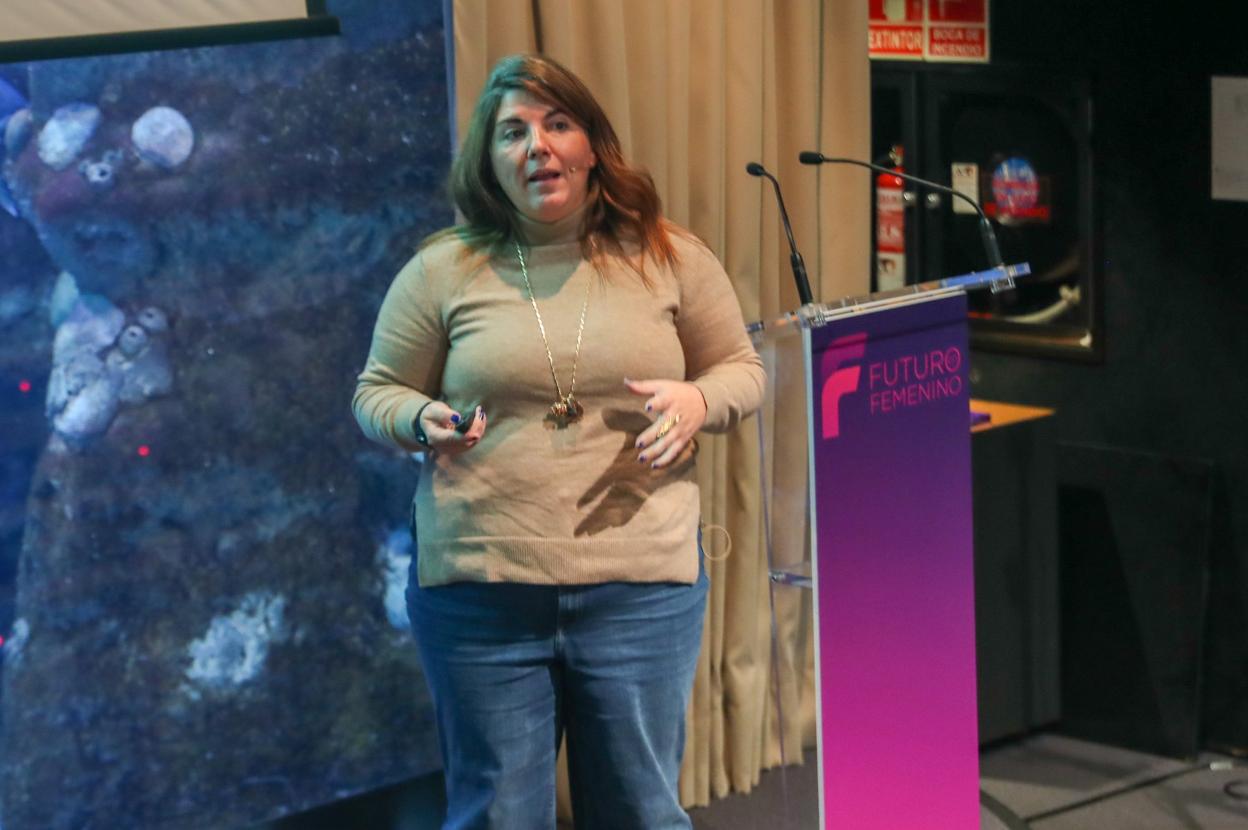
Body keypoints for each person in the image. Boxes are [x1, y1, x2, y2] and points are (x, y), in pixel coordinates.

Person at [353, 53, 765, 829]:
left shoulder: (669, 255)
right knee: (496, 816)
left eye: (557, 123)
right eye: (513, 132)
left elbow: (741, 370)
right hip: (481, 591)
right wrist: (418, 420)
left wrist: (698, 399)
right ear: (489, 161)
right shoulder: (442, 269)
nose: (536, 145)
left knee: (640, 813)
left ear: (592, 145)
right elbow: (376, 392)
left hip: (638, 589)